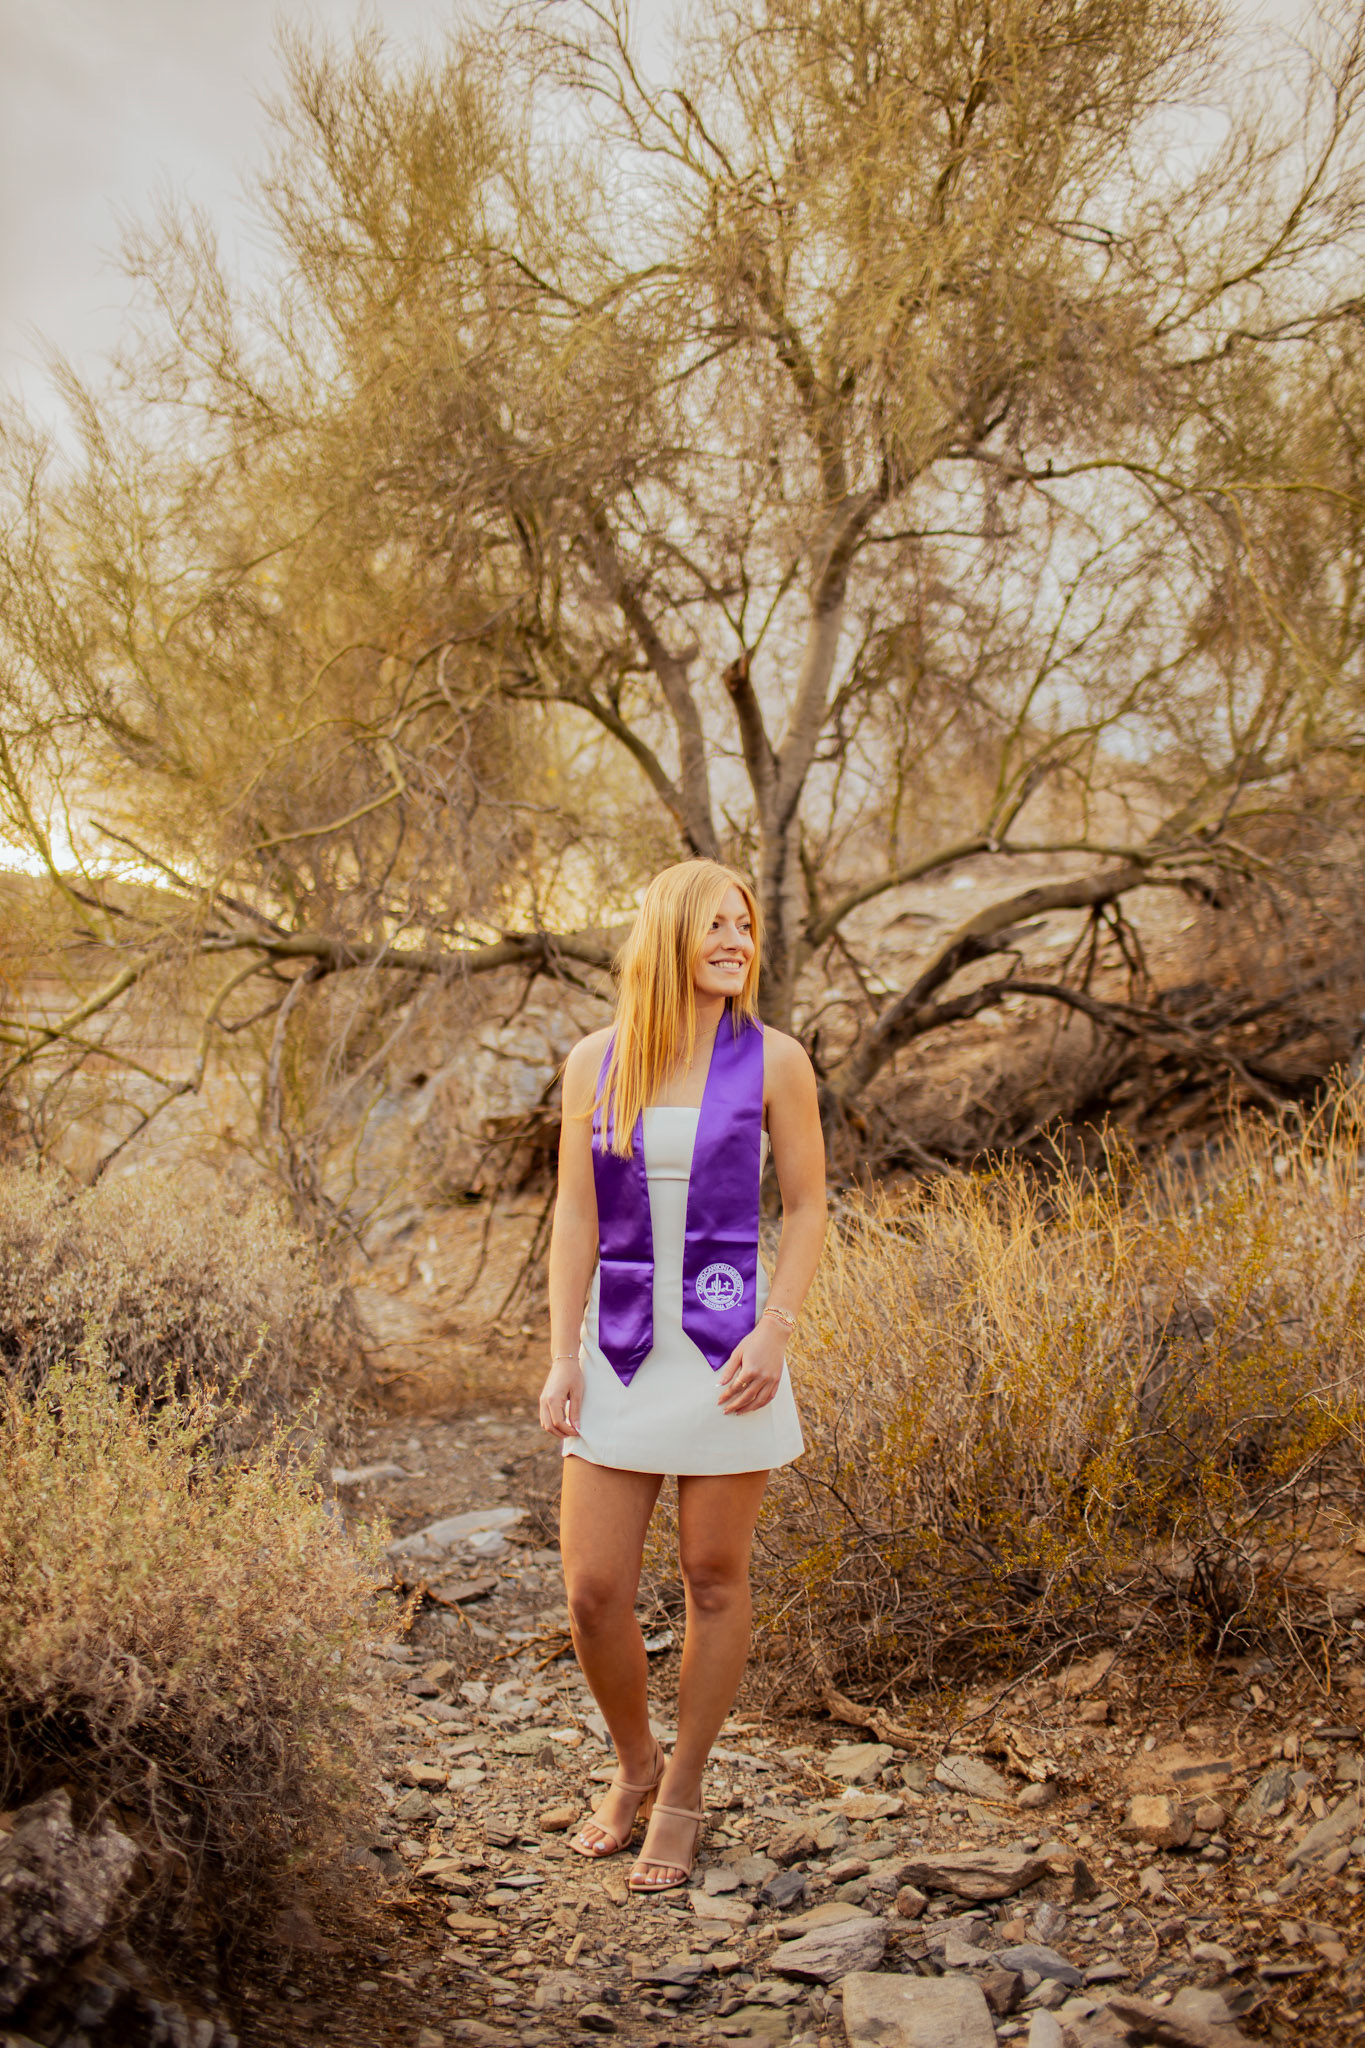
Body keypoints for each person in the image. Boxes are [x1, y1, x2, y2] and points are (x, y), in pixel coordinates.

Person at [539, 859, 827, 1892]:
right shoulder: (596, 1062)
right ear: (668, 934)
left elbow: (808, 1205)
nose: (737, 941)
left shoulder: (776, 1060)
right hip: (620, 1350)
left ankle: (685, 1790)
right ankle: (635, 1762)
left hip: (726, 1353)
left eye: (745, 925)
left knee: (712, 1575)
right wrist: (562, 1353)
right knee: (592, 1590)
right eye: (715, 924)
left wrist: (777, 1330)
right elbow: (575, 1215)